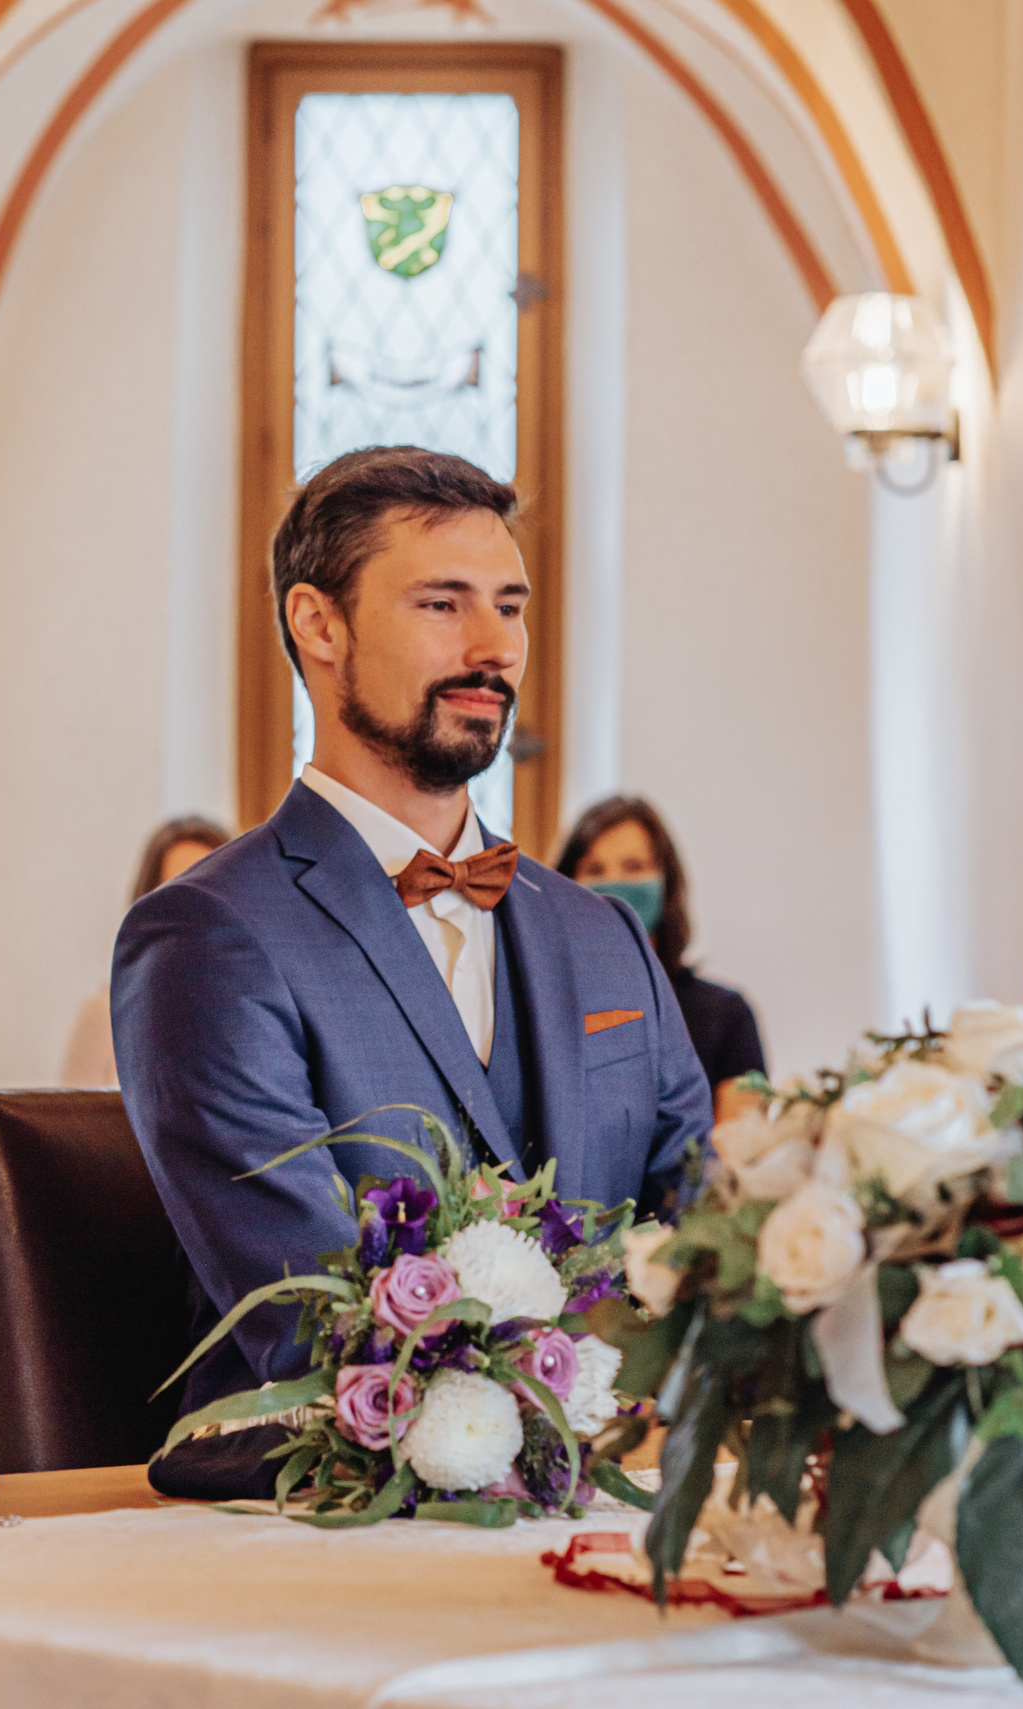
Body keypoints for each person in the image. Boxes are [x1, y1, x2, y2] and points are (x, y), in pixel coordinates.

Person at [113, 446, 713, 1412]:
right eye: (443, 603)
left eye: (509, 606)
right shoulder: (206, 936)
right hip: (314, 1516)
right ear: (319, 623)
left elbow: (699, 1238)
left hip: (606, 1493)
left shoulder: (604, 935)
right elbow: (309, 1320)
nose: (496, 646)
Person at [557, 796, 766, 1122]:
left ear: (666, 880)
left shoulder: (726, 1016)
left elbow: (741, 1150)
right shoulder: (546, 1011)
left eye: (634, 867)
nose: (614, 884)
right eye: (594, 869)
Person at [59, 817, 231, 1087]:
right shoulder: (106, 1016)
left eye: (213, 890)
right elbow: (67, 1126)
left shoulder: (265, 1020)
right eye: (176, 894)